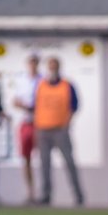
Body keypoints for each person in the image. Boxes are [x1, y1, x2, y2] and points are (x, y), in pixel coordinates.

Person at [33, 56, 83, 206]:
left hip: (60, 130)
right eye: (50, 66)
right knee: (44, 164)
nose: (52, 69)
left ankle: (78, 195)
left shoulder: (67, 85)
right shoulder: (41, 85)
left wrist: (66, 123)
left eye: (54, 66)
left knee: (69, 162)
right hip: (43, 130)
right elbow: (35, 105)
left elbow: (74, 106)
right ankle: (46, 195)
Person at [12, 53, 41, 204]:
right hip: (25, 122)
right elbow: (15, 101)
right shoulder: (22, 80)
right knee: (26, 158)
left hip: (40, 123)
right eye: (30, 62)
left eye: (35, 62)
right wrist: (25, 107)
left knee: (43, 157)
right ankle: (31, 191)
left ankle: (44, 191)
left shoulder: (42, 80)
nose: (32, 65)